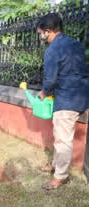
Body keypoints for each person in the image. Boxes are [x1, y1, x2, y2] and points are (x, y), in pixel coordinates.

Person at [36, 13, 89, 190]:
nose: (40, 37)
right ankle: (55, 164)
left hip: (67, 98)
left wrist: (44, 92)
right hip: (82, 95)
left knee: (63, 140)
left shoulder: (52, 49)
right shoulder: (76, 44)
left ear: (48, 31)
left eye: (40, 33)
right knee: (60, 135)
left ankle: (60, 176)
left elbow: (50, 79)